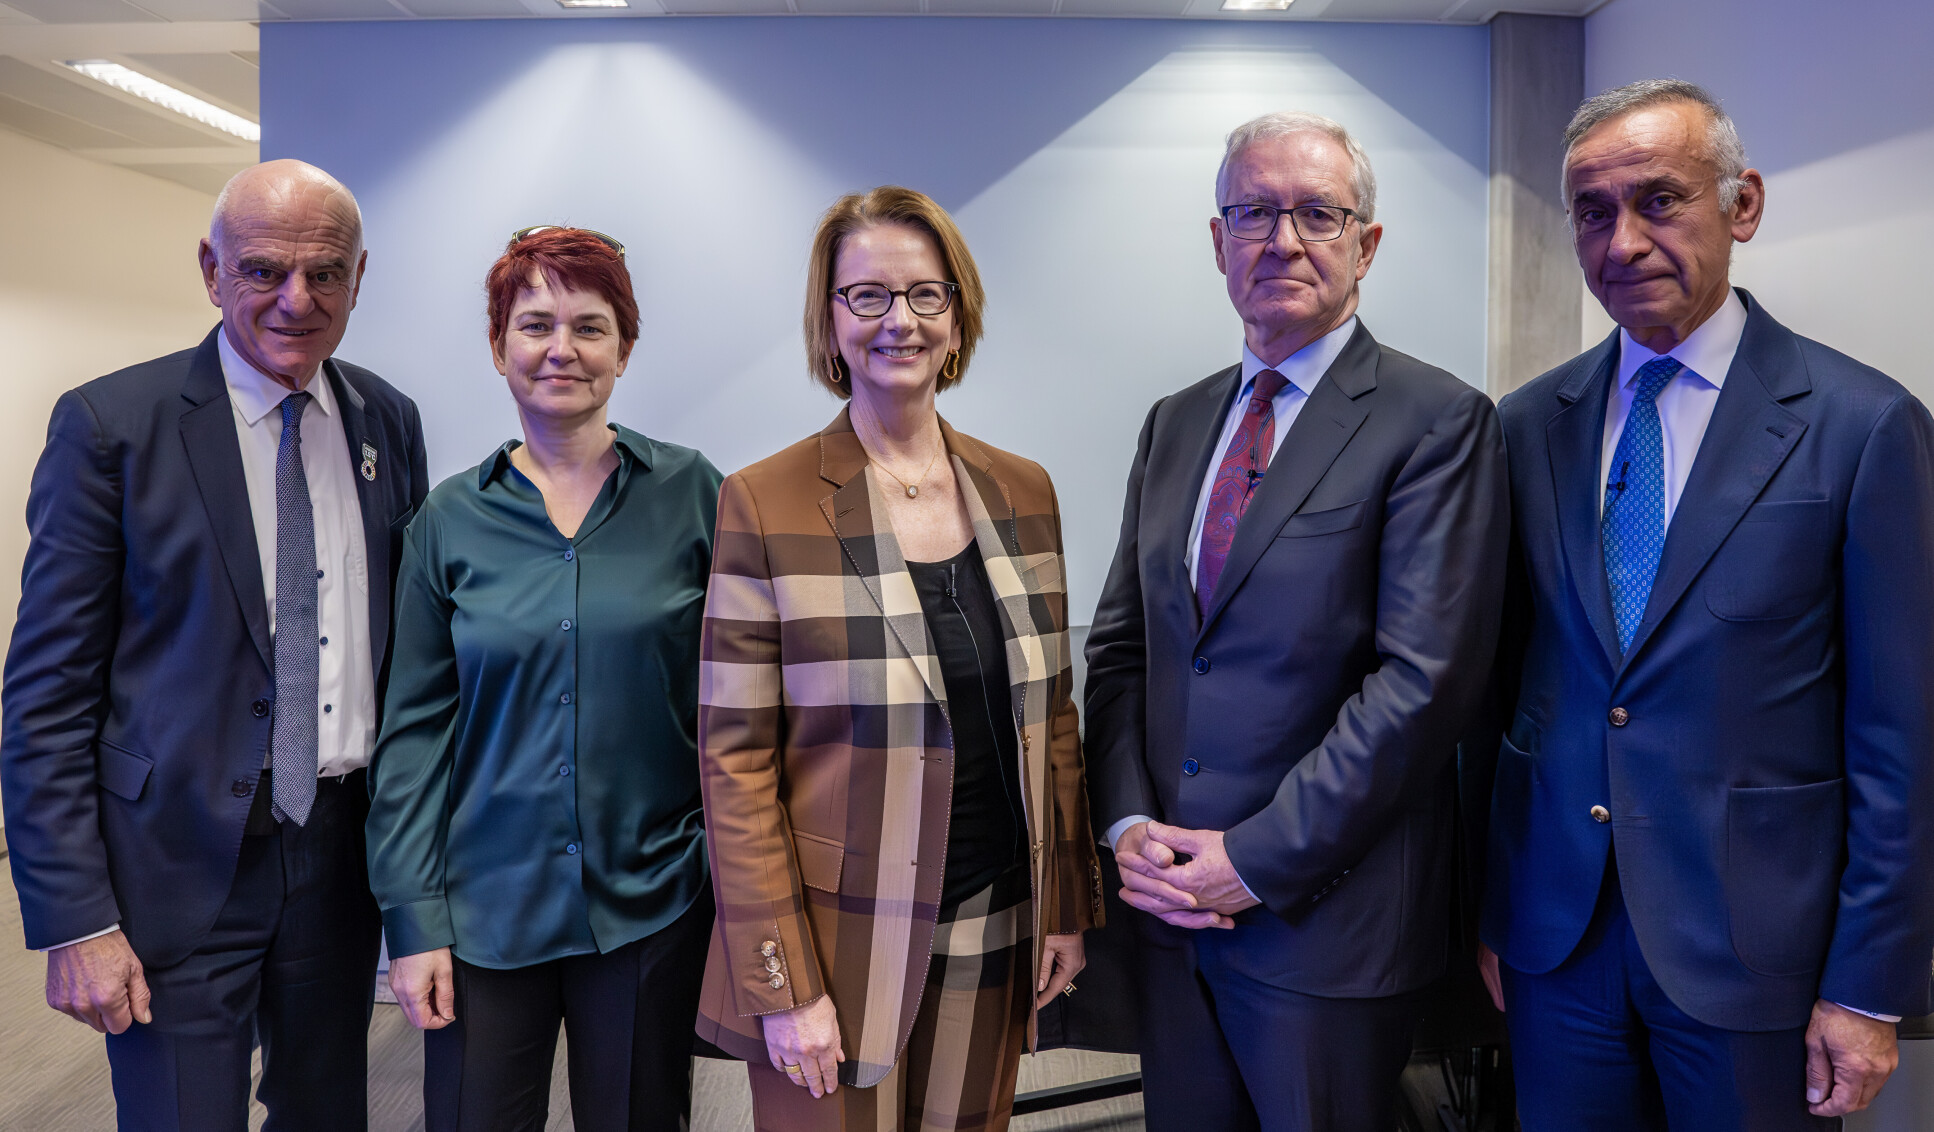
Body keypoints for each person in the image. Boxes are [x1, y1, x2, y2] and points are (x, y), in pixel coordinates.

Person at [1472, 78, 1934, 1129]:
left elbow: (1899, 737)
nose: (1622, 241)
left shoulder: (1861, 427)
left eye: (1657, 200)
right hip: (1557, 938)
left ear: (1742, 205)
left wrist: (1866, 985)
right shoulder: (1523, 425)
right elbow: (1500, 690)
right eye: (1592, 212)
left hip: (1756, 951)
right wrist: (1491, 908)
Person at [1082, 111, 1509, 1132]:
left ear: (1365, 243)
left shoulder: (1436, 421)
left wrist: (1254, 861)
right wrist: (1128, 822)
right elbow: (1122, 650)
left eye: (1316, 212)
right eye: (1252, 212)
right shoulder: (1175, 420)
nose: (1281, 240)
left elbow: (1423, 685)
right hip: (1171, 915)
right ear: (1216, 241)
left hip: (1326, 924)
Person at [0, 160, 426, 1131]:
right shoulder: (114, 427)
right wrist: (76, 918)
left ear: (360, 277)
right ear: (211, 268)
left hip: (335, 860)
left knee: (328, 1116)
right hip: (174, 869)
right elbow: (47, 695)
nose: (295, 299)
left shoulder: (384, 422)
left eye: (324, 273)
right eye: (265, 269)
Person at [694, 185, 1102, 1131]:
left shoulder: (1022, 489)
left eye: (926, 295)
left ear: (958, 318)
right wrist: (782, 980)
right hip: (836, 941)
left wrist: (1065, 904)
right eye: (867, 296)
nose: (900, 322)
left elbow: (1054, 718)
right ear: (830, 324)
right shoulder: (767, 500)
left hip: (997, 918)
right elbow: (735, 762)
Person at [365, 226, 721, 1132]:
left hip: (652, 900)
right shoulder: (446, 520)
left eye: (589, 326)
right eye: (534, 325)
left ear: (624, 350)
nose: (561, 349)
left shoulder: (696, 497)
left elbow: (740, 706)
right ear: (498, 348)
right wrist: (414, 921)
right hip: (485, 911)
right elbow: (414, 733)